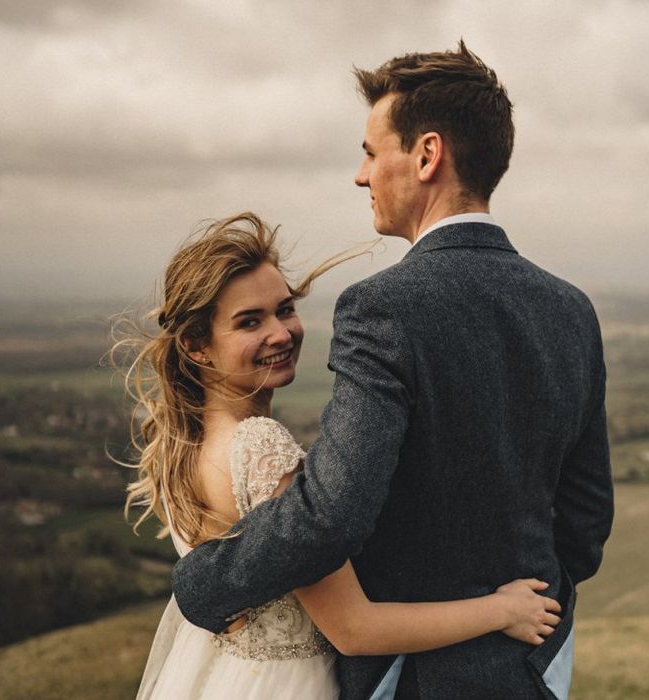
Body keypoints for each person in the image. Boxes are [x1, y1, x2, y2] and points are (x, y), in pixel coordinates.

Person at [172, 42, 614, 699]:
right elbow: (585, 523)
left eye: (372, 153)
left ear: (427, 155)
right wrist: (528, 633)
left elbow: (331, 517)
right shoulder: (572, 310)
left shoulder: (382, 309)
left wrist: (204, 582)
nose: (361, 174)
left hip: (410, 680)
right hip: (533, 672)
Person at [124, 213, 563, 699]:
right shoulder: (259, 447)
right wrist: (503, 610)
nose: (280, 333)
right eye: (250, 321)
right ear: (196, 346)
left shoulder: (178, 444)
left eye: (284, 309)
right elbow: (355, 630)